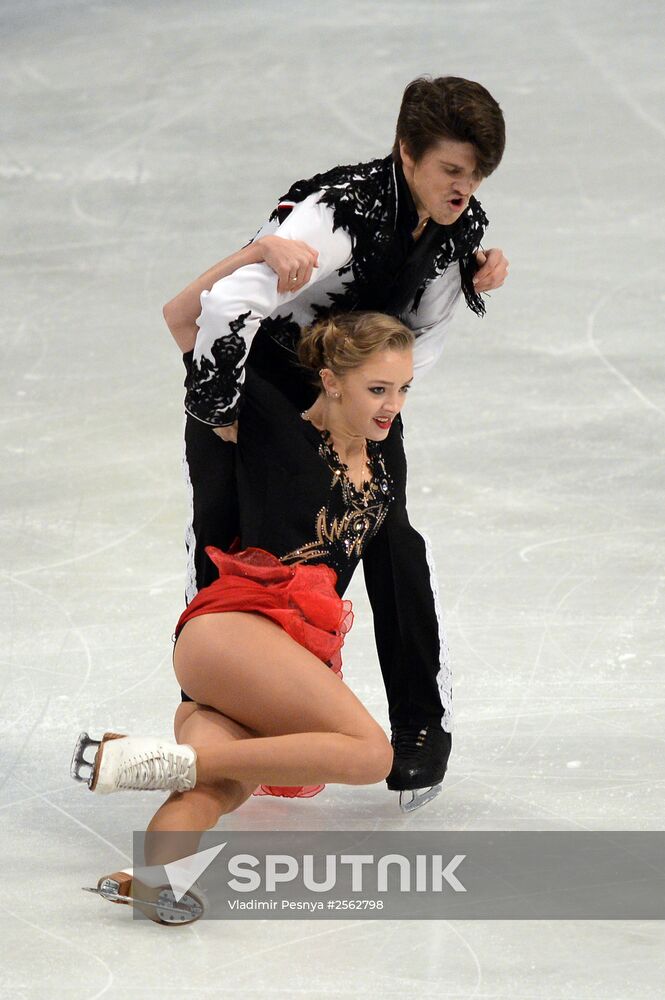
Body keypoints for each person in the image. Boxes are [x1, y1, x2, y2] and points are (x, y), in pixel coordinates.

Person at [162, 75, 508, 811]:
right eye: (451, 169)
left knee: (386, 534)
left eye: (475, 174)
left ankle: (420, 725)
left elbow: (428, 332)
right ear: (406, 151)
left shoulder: (458, 229)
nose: (464, 187)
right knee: (228, 528)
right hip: (260, 384)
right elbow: (224, 305)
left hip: (355, 389)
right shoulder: (338, 209)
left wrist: (381, 401)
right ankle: (211, 701)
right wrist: (220, 406)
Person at [72, 311, 417, 924]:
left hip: (258, 664)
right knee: (370, 755)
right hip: (235, 629)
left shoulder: (385, 462)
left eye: (402, 389)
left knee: (220, 787)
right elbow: (185, 319)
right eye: (378, 389)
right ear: (332, 381)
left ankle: (152, 879)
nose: (392, 406)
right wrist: (261, 255)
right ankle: (149, 758)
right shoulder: (275, 429)